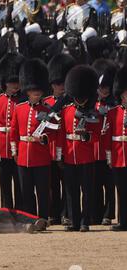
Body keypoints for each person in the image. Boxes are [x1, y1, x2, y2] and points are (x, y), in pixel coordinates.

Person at [56, 65, 102, 232]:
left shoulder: (94, 113)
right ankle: (74, 221)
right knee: (70, 191)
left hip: (86, 156)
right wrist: (60, 154)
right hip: (69, 155)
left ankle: (85, 221)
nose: (80, 100)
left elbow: (97, 135)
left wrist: (87, 136)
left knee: (87, 191)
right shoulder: (67, 110)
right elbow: (62, 134)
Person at [10, 59, 56, 222]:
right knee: (26, 191)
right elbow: (14, 132)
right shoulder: (20, 108)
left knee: (43, 191)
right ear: (28, 91)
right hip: (23, 155)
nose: (36, 92)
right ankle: (30, 219)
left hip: (41, 155)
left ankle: (43, 218)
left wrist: (43, 138)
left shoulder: (47, 110)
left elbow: (54, 131)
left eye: (38, 90)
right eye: (33, 90)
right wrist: (14, 151)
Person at [44, 53, 76, 225]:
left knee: (68, 185)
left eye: (64, 83)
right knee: (52, 184)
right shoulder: (47, 102)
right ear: (52, 85)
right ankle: (54, 213)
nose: (61, 86)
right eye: (58, 83)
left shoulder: (71, 103)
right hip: (50, 148)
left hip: (66, 148)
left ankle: (66, 213)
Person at [0, 53, 24, 210]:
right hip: (1, 147)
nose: (15, 85)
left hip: (18, 146)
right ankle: (6, 211)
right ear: (5, 83)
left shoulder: (23, 101)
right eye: (12, 82)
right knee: (4, 183)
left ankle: (20, 210)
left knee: (20, 182)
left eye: (17, 82)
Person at [92, 59, 117, 226]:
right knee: (95, 184)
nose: (104, 90)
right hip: (94, 150)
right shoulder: (92, 105)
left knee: (109, 185)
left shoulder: (115, 105)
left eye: (107, 87)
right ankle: (97, 213)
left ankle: (108, 214)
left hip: (110, 150)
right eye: (101, 87)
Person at [105, 66, 127, 231]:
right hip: (118, 156)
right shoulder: (113, 112)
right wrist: (109, 158)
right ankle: (123, 221)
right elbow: (107, 137)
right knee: (121, 191)